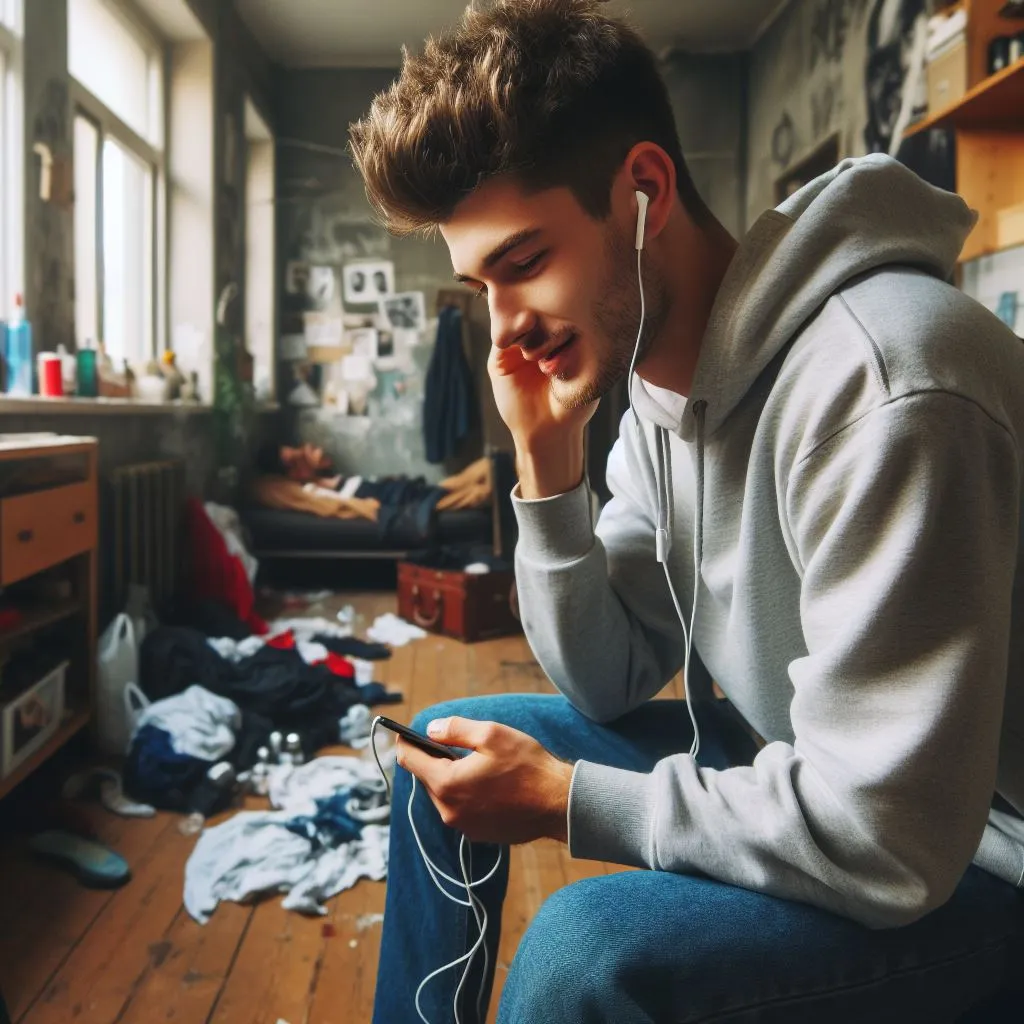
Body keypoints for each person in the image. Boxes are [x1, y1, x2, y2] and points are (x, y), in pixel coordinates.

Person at [349, 1, 1024, 1021]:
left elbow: (891, 838)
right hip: (800, 763)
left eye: (524, 263)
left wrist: (567, 800)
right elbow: (608, 675)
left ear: (643, 192)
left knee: (581, 953)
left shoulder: (887, 387)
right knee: (448, 741)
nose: (506, 332)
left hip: (972, 856)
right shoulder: (661, 392)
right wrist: (544, 460)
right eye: (479, 285)